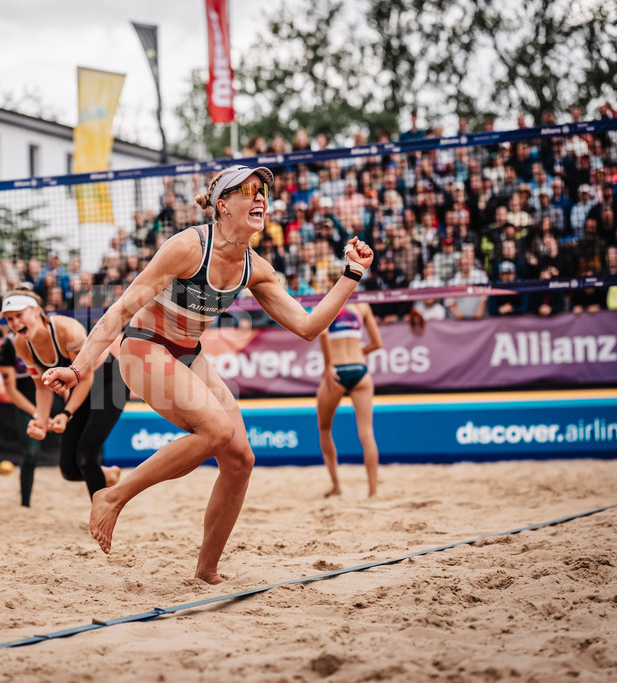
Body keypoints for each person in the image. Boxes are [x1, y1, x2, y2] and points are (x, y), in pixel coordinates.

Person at [41, 164, 375, 584]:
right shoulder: (187, 247)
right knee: (217, 431)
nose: (260, 198)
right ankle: (112, 495)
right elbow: (122, 309)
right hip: (144, 346)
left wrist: (352, 275)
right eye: (249, 191)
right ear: (223, 206)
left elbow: (308, 327)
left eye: (263, 192)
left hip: (187, 352)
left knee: (241, 459)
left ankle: (206, 570)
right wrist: (77, 367)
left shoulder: (255, 267)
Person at [0, 288, 125, 503]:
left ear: (37, 311)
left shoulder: (68, 329)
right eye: (9, 319)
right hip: (80, 387)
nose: (14, 323)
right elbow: (41, 386)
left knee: (86, 456)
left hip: (109, 382)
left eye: (19, 315)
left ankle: (102, 511)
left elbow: (85, 378)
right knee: (69, 470)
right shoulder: (20, 344)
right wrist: (40, 420)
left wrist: (66, 414)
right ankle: (108, 475)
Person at [316, 282, 382, 497]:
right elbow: (377, 343)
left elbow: (323, 334)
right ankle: (373, 492)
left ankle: (336, 486)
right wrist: (357, 354)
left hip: (338, 371)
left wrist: (328, 365)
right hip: (360, 370)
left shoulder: (330, 303)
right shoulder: (363, 306)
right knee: (367, 433)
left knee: (325, 429)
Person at [0, 329, 43, 507]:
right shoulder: (8, 345)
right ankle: (25, 504)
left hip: (50, 392)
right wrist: (37, 413)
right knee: (31, 453)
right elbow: (11, 391)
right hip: (25, 400)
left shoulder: (45, 335)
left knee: (79, 445)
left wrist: (68, 408)